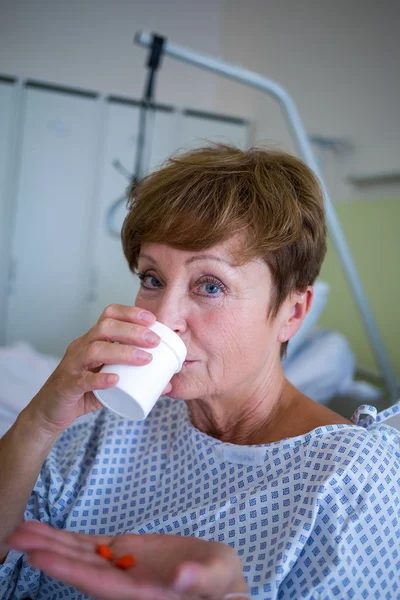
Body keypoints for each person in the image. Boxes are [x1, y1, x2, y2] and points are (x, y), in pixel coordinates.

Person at [1, 144, 399, 600]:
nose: (163, 316)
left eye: (210, 285)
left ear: (292, 312)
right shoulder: (112, 423)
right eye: (152, 279)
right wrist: (39, 421)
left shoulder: (351, 480)